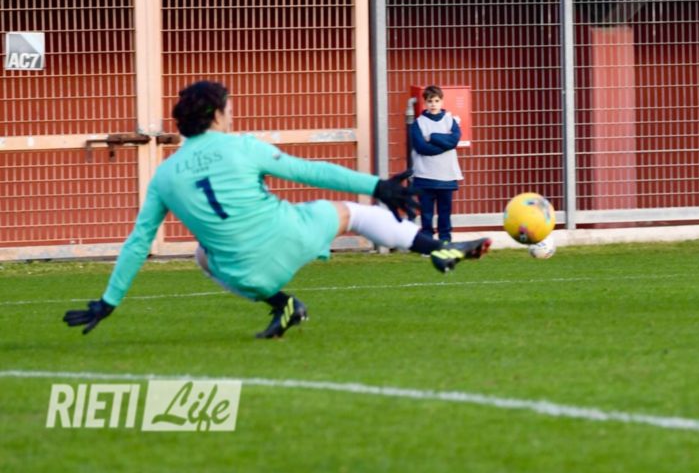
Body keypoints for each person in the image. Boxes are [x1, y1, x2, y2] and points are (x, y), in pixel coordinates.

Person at [64, 80, 491, 339]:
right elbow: (310, 171)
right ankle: (437, 248)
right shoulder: (241, 147)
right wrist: (377, 186)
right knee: (355, 215)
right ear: (217, 115)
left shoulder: (164, 176)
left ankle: (282, 304)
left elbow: (139, 242)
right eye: (228, 108)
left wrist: (109, 301)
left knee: (202, 255)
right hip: (293, 235)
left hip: (246, 275)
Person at [409, 85, 463, 244]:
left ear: (442, 101)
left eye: (436, 101)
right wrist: (445, 145)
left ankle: (445, 240)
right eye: (430, 101)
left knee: (445, 212)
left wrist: (433, 137)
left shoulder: (450, 121)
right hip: (424, 176)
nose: (433, 104)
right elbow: (421, 148)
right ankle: (427, 242)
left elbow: (454, 141)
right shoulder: (418, 124)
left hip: (447, 176)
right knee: (426, 213)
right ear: (425, 102)